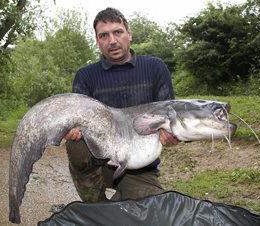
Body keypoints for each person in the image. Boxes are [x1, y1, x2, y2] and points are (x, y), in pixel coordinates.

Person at [65, 7, 179, 202]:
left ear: (129, 34)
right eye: (104, 35)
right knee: (76, 142)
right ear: (97, 41)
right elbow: (76, 121)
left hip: (139, 165)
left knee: (148, 216)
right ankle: (96, 205)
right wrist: (72, 129)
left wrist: (171, 133)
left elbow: (171, 116)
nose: (112, 41)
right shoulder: (85, 75)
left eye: (117, 32)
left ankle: (125, 196)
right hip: (99, 161)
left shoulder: (155, 67)